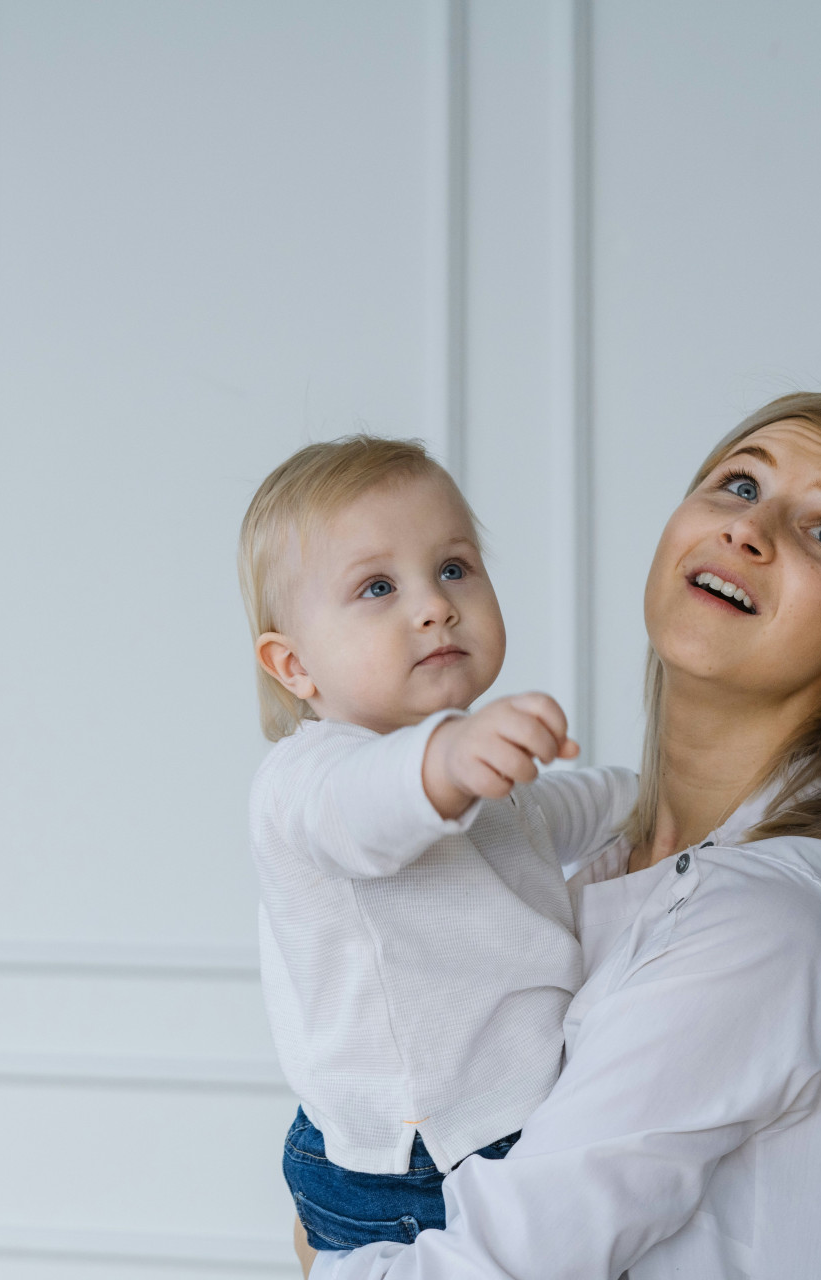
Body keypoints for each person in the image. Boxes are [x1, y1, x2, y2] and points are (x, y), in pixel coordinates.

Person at [298, 393, 821, 1279]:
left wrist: (319, 1252)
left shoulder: (763, 925)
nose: (749, 529)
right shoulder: (599, 863)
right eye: (739, 484)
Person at [239, 436, 637, 1251]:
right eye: (377, 587)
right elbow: (363, 813)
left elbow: (555, 818)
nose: (435, 606)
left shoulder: (465, 774)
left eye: (454, 568)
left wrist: (663, 792)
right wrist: (448, 759)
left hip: (504, 1119)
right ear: (294, 665)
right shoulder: (308, 779)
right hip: (417, 1162)